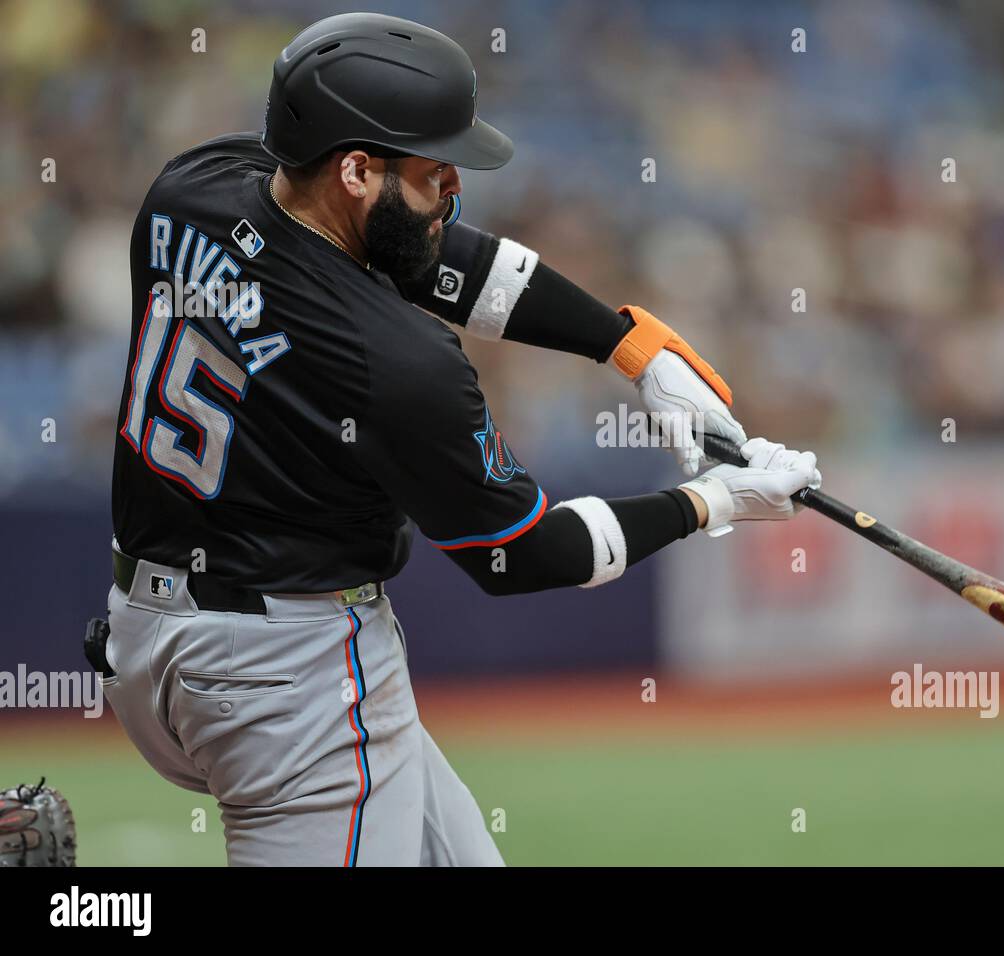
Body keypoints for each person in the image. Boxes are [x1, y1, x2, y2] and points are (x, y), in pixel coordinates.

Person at [99, 11, 820, 866]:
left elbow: (432, 256)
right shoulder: (397, 362)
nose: (454, 189)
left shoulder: (197, 185)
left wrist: (625, 344)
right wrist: (713, 502)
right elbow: (528, 553)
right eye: (434, 170)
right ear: (356, 169)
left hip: (146, 639)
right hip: (285, 683)